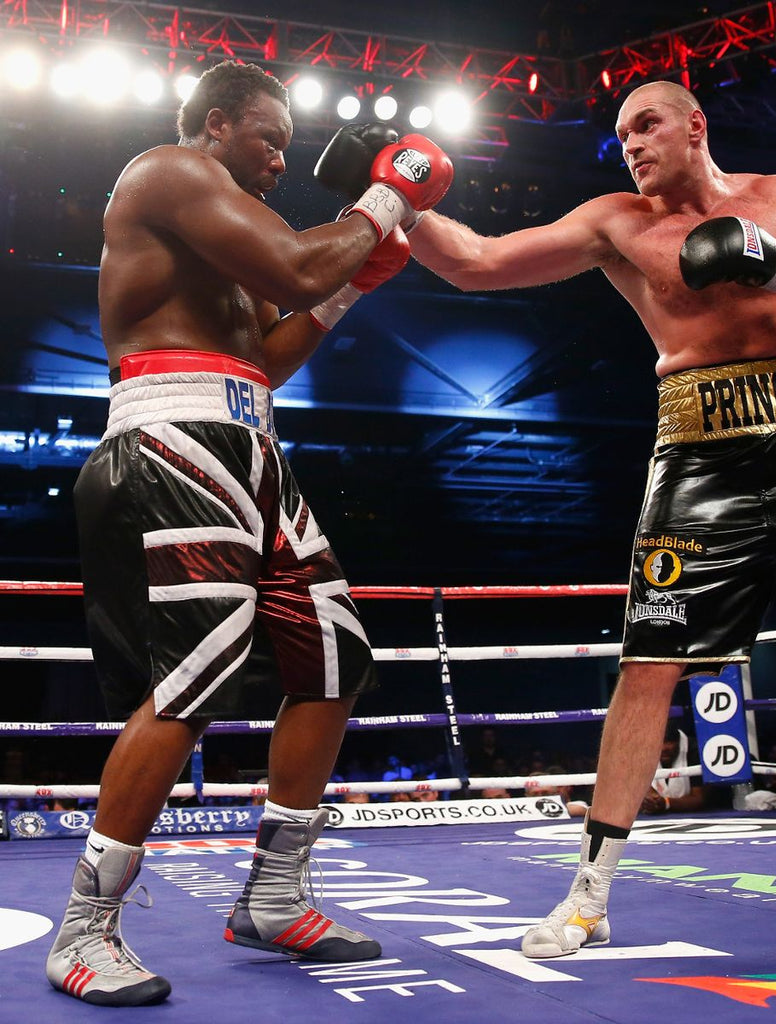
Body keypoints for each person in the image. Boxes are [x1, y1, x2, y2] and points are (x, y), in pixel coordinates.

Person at [377, 78, 776, 957]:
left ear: (694, 126)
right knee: (648, 664)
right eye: (620, 134)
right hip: (700, 442)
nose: (632, 144)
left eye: (646, 125)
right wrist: (391, 198)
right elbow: (478, 262)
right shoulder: (614, 221)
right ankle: (589, 896)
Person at [45, 60, 452, 1006]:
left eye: (287, 146)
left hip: (252, 442)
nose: (281, 159)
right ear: (217, 124)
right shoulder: (170, 173)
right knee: (196, 681)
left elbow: (271, 349)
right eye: (269, 139)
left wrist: (356, 283)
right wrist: (387, 198)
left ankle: (274, 895)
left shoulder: (227, 234)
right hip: (173, 437)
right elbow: (302, 263)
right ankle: (85, 930)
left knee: (334, 659)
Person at [639, 721, 729, 815]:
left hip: (704, 814)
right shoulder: (643, 750)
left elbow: (699, 799)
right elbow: (640, 786)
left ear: (678, 742)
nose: (664, 748)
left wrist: (666, 802)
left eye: (669, 743)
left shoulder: (696, 751)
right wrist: (651, 798)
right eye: (660, 743)